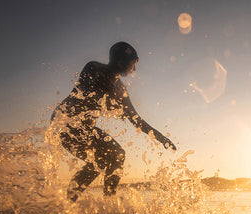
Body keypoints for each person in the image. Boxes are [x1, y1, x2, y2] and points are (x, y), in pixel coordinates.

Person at [51, 42, 176, 201]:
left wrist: (161, 138)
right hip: (65, 123)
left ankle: (104, 203)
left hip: (85, 128)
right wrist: (112, 103)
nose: (134, 69)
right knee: (101, 161)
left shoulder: (119, 88)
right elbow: (89, 90)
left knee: (115, 156)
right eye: (133, 63)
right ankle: (71, 202)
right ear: (121, 62)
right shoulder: (93, 68)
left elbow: (136, 120)